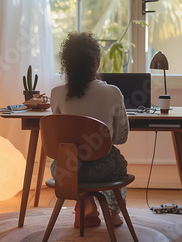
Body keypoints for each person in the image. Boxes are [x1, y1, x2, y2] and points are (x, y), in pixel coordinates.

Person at [50, 31, 129, 227]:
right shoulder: (112, 93)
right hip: (102, 171)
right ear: (96, 62)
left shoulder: (56, 93)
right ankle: (112, 213)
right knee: (116, 160)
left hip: (65, 171)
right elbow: (120, 137)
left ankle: (86, 203)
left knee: (72, 156)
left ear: (67, 64)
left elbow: (59, 139)